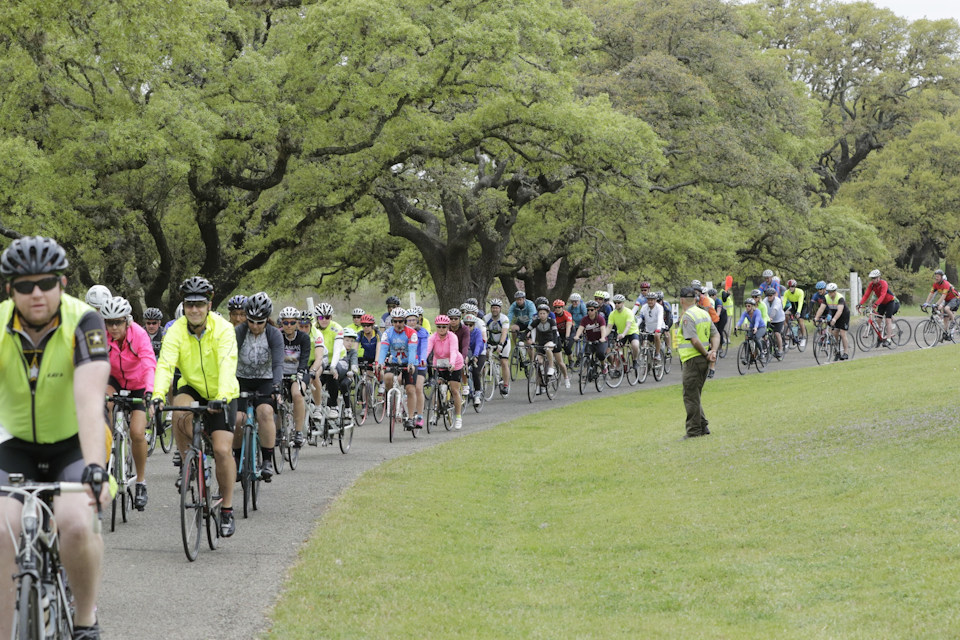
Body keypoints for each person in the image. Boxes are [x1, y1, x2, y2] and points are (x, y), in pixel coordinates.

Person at [0, 236, 111, 640]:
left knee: (77, 522)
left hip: (73, 443)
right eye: (24, 285)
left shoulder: (84, 321)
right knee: (2, 528)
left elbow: (89, 397)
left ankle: (84, 618)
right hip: (12, 444)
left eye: (46, 283)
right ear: (10, 289)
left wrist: (96, 468)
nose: (36, 293)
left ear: (62, 283)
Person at [152, 276, 239, 538]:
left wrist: (222, 396)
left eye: (200, 304)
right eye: (189, 304)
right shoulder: (176, 330)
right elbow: (166, 364)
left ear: (209, 305)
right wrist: (157, 394)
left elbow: (226, 363)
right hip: (193, 389)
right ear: (184, 305)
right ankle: (187, 463)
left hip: (222, 394)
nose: (194, 310)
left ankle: (226, 508)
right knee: (178, 407)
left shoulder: (224, 329)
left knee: (223, 450)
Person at [102, 296, 157, 511]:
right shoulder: (101, 336)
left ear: (127, 320)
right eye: (109, 322)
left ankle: (141, 482)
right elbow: (93, 361)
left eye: (118, 322)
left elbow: (148, 363)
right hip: (114, 379)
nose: (113, 327)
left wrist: (150, 392)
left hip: (139, 383)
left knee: (136, 432)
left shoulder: (140, 335)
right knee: (102, 405)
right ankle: (105, 459)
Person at [232, 293, 283, 481]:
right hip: (241, 379)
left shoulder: (274, 333)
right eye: (251, 321)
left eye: (259, 322)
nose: (254, 326)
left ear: (266, 320)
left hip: (266, 379)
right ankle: (237, 459)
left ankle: (267, 459)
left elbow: (278, 363)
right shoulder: (239, 332)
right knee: (238, 419)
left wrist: (276, 385)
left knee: (265, 413)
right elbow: (229, 359)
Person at [678, 287, 719, 439]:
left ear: (682, 300)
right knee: (695, 395)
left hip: (692, 360)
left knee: (690, 396)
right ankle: (703, 425)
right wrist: (712, 351)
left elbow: (694, 340)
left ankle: (693, 431)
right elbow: (716, 335)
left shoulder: (688, 316)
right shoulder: (704, 313)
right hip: (704, 361)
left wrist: (706, 353)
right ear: (695, 299)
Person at [376, 307, 419, 431]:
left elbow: (412, 349)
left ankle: (410, 418)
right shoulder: (387, 333)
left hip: (408, 363)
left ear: (404, 321)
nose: (398, 324)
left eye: (400, 321)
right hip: (394, 362)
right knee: (387, 377)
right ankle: (394, 397)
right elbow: (384, 348)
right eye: (395, 321)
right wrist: (379, 363)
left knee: (410, 390)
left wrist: (411, 364)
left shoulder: (411, 332)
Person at [277, 307, 311, 447]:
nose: (289, 326)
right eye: (285, 323)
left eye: (292, 322)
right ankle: (278, 430)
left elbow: (304, 358)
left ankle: (298, 432)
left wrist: (300, 372)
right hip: (280, 373)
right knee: (275, 399)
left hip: (299, 372)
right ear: (281, 323)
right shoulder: (277, 336)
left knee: (297, 394)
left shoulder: (304, 337)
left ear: (297, 323)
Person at [426, 316, 464, 429]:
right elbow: (427, 350)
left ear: (448, 327)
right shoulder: (433, 337)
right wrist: (422, 360)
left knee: (454, 390)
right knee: (436, 386)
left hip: (454, 364)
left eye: (444, 327)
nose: (441, 329)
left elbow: (454, 351)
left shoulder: (453, 337)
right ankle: (435, 413)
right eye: (439, 327)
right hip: (439, 364)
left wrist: (452, 363)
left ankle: (458, 417)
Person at [858, 269, 898, 345]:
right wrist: (860, 304)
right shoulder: (872, 284)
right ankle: (880, 337)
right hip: (882, 303)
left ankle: (889, 339)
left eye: (874, 278)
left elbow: (883, 295)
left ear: (878, 277)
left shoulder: (883, 283)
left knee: (887, 320)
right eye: (872, 278)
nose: (873, 280)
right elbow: (866, 295)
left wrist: (875, 304)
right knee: (878, 320)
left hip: (890, 302)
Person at [813, 283, 851, 360]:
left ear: (835, 291)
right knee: (834, 333)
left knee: (843, 333)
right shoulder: (826, 297)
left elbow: (840, 311)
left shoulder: (840, 297)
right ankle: (837, 352)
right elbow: (821, 308)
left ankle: (846, 353)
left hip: (843, 315)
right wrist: (816, 317)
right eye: (828, 291)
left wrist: (834, 319)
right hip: (834, 314)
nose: (830, 293)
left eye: (831, 292)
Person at [406, 309, 429, 427]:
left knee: (419, 388)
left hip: (419, 363)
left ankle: (420, 416)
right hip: (406, 363)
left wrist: (423, 359)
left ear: (418, 320)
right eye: (409, 320)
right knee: (399, 380)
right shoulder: (402, 332)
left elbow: (424, 348)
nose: (411, 322)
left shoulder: (423, 333)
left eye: (414, 320)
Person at [484, 298, 511, 396]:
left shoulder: (504, 319)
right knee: (484, 356)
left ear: (500, 309)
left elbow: (504, 333)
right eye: (493, 308)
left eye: (496, 308)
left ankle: (505, 385)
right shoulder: (486, 318)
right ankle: (491, 370)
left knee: (504, 362)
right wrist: (485, 344)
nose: (495, 310)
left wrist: (500, 344)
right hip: (491, 341)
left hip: (503, 342)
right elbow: (484, 332)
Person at [921, 268, 959, 335]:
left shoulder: (946, 284)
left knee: (946, 308)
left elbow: (943, 296)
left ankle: (953, 321)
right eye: (936, 276)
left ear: (942, 277)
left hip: (955, 298)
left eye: (938, 276)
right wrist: (926, 303)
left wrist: (937, 304)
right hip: (947, 300)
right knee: (945, 318)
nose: (936, 278)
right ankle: (946, 333)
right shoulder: (935, 284)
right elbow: (931, 294)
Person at [573, 301, 609, 366]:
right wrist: (577, 336)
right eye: (588, 310)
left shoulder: (600, 318)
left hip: (600, 341)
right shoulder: (584, 319)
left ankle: (603, 365)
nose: (589, 311)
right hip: (590, 341)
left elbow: (603, 329)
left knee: (600, 353)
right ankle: (589, 371)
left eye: (592, 310)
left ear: (596, 310)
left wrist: (603, 338)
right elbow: (581, 328)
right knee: (586, 354)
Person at [463, 314, 489, 403]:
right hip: (467, 352)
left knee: (475, 371)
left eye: (471, 325)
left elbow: (478, 344)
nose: (468, 327)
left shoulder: (477, 332)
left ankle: (477, 392)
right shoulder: (463, 332)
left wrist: (476, 356)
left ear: (474, 325)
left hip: (479, 352)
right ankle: (466, 387)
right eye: (466, 324)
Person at [637, 294, 665, 359]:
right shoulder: (644, 307)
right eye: (649, 300)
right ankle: (646, 360)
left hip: (659, 326)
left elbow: (660, 318)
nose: (650, 302)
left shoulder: (659, 307)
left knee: (656, 336)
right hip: (648, 328)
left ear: (655, 300)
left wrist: (658, 329)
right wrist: (636, 326)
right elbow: (640, 317)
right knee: (645, 344)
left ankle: (658, 354)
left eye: (652, 300)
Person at [765, 287, 786, 360]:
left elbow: (775, 310)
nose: (769, 297)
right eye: (768, 296)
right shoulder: (765, 301)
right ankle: (767, 348)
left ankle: (780, 349)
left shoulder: (778, 300)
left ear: (774, 295)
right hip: (769, 320)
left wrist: (770, 317)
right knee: (766, 334)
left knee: (777, 333)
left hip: (778, 319)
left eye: (771, 295)